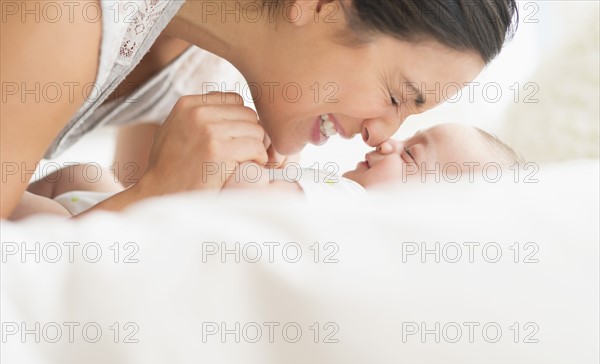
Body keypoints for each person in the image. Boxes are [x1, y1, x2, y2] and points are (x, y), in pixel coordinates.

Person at [1, 0, 518, 219]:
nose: (379, 136)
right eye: (396, 97)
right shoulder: (62, 19)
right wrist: (151, 194)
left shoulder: (207, 71)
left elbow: (154, 229)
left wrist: (151, 191)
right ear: (319, 5)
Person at [23, 123, 520, 216]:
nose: (390, 141)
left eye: (411, 154)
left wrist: (255, 164)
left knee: (44, 213)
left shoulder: (352, 210)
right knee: (83, 176)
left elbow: (250, 195)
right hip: (126, 214)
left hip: (95, 233)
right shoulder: (336, 194)